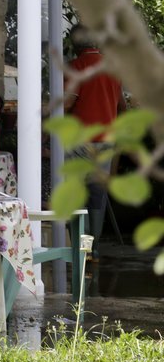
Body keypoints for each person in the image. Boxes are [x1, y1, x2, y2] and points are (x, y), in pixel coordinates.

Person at [63, 24, 126, 262]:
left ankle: (81, 250)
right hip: (105, 142)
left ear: (75, 44)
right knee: (96, 196)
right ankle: (93, 249)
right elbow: (122, 107)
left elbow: (67, 104)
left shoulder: (76, 67)